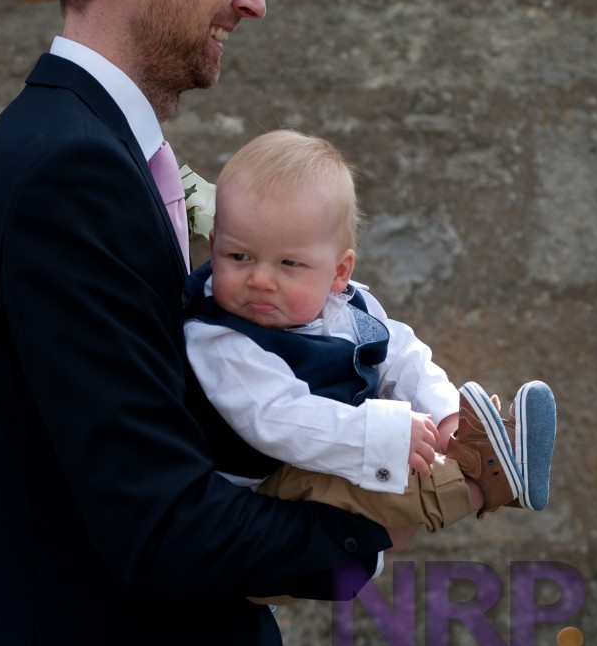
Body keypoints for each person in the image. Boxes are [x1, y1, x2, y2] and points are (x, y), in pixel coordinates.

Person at [0, 0, 393, 646]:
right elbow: (156, 526)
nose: (254, 1)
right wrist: (363, 541)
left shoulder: (87, 150)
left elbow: (162, 428)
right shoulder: (68, 175)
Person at [183, 130, 557, 550]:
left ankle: (472, 443)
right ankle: (485, 484)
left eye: (290, 264)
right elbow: (277, 419)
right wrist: (380, 434)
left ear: (339, 272)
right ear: (213, 248)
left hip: (328, 460)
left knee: (390, 456)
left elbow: (402, 356)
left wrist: (445, 416)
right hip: (257, 502)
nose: (261, 280)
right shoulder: (221, 338)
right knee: (373, 474)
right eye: (239, 257)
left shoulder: (348, 306)